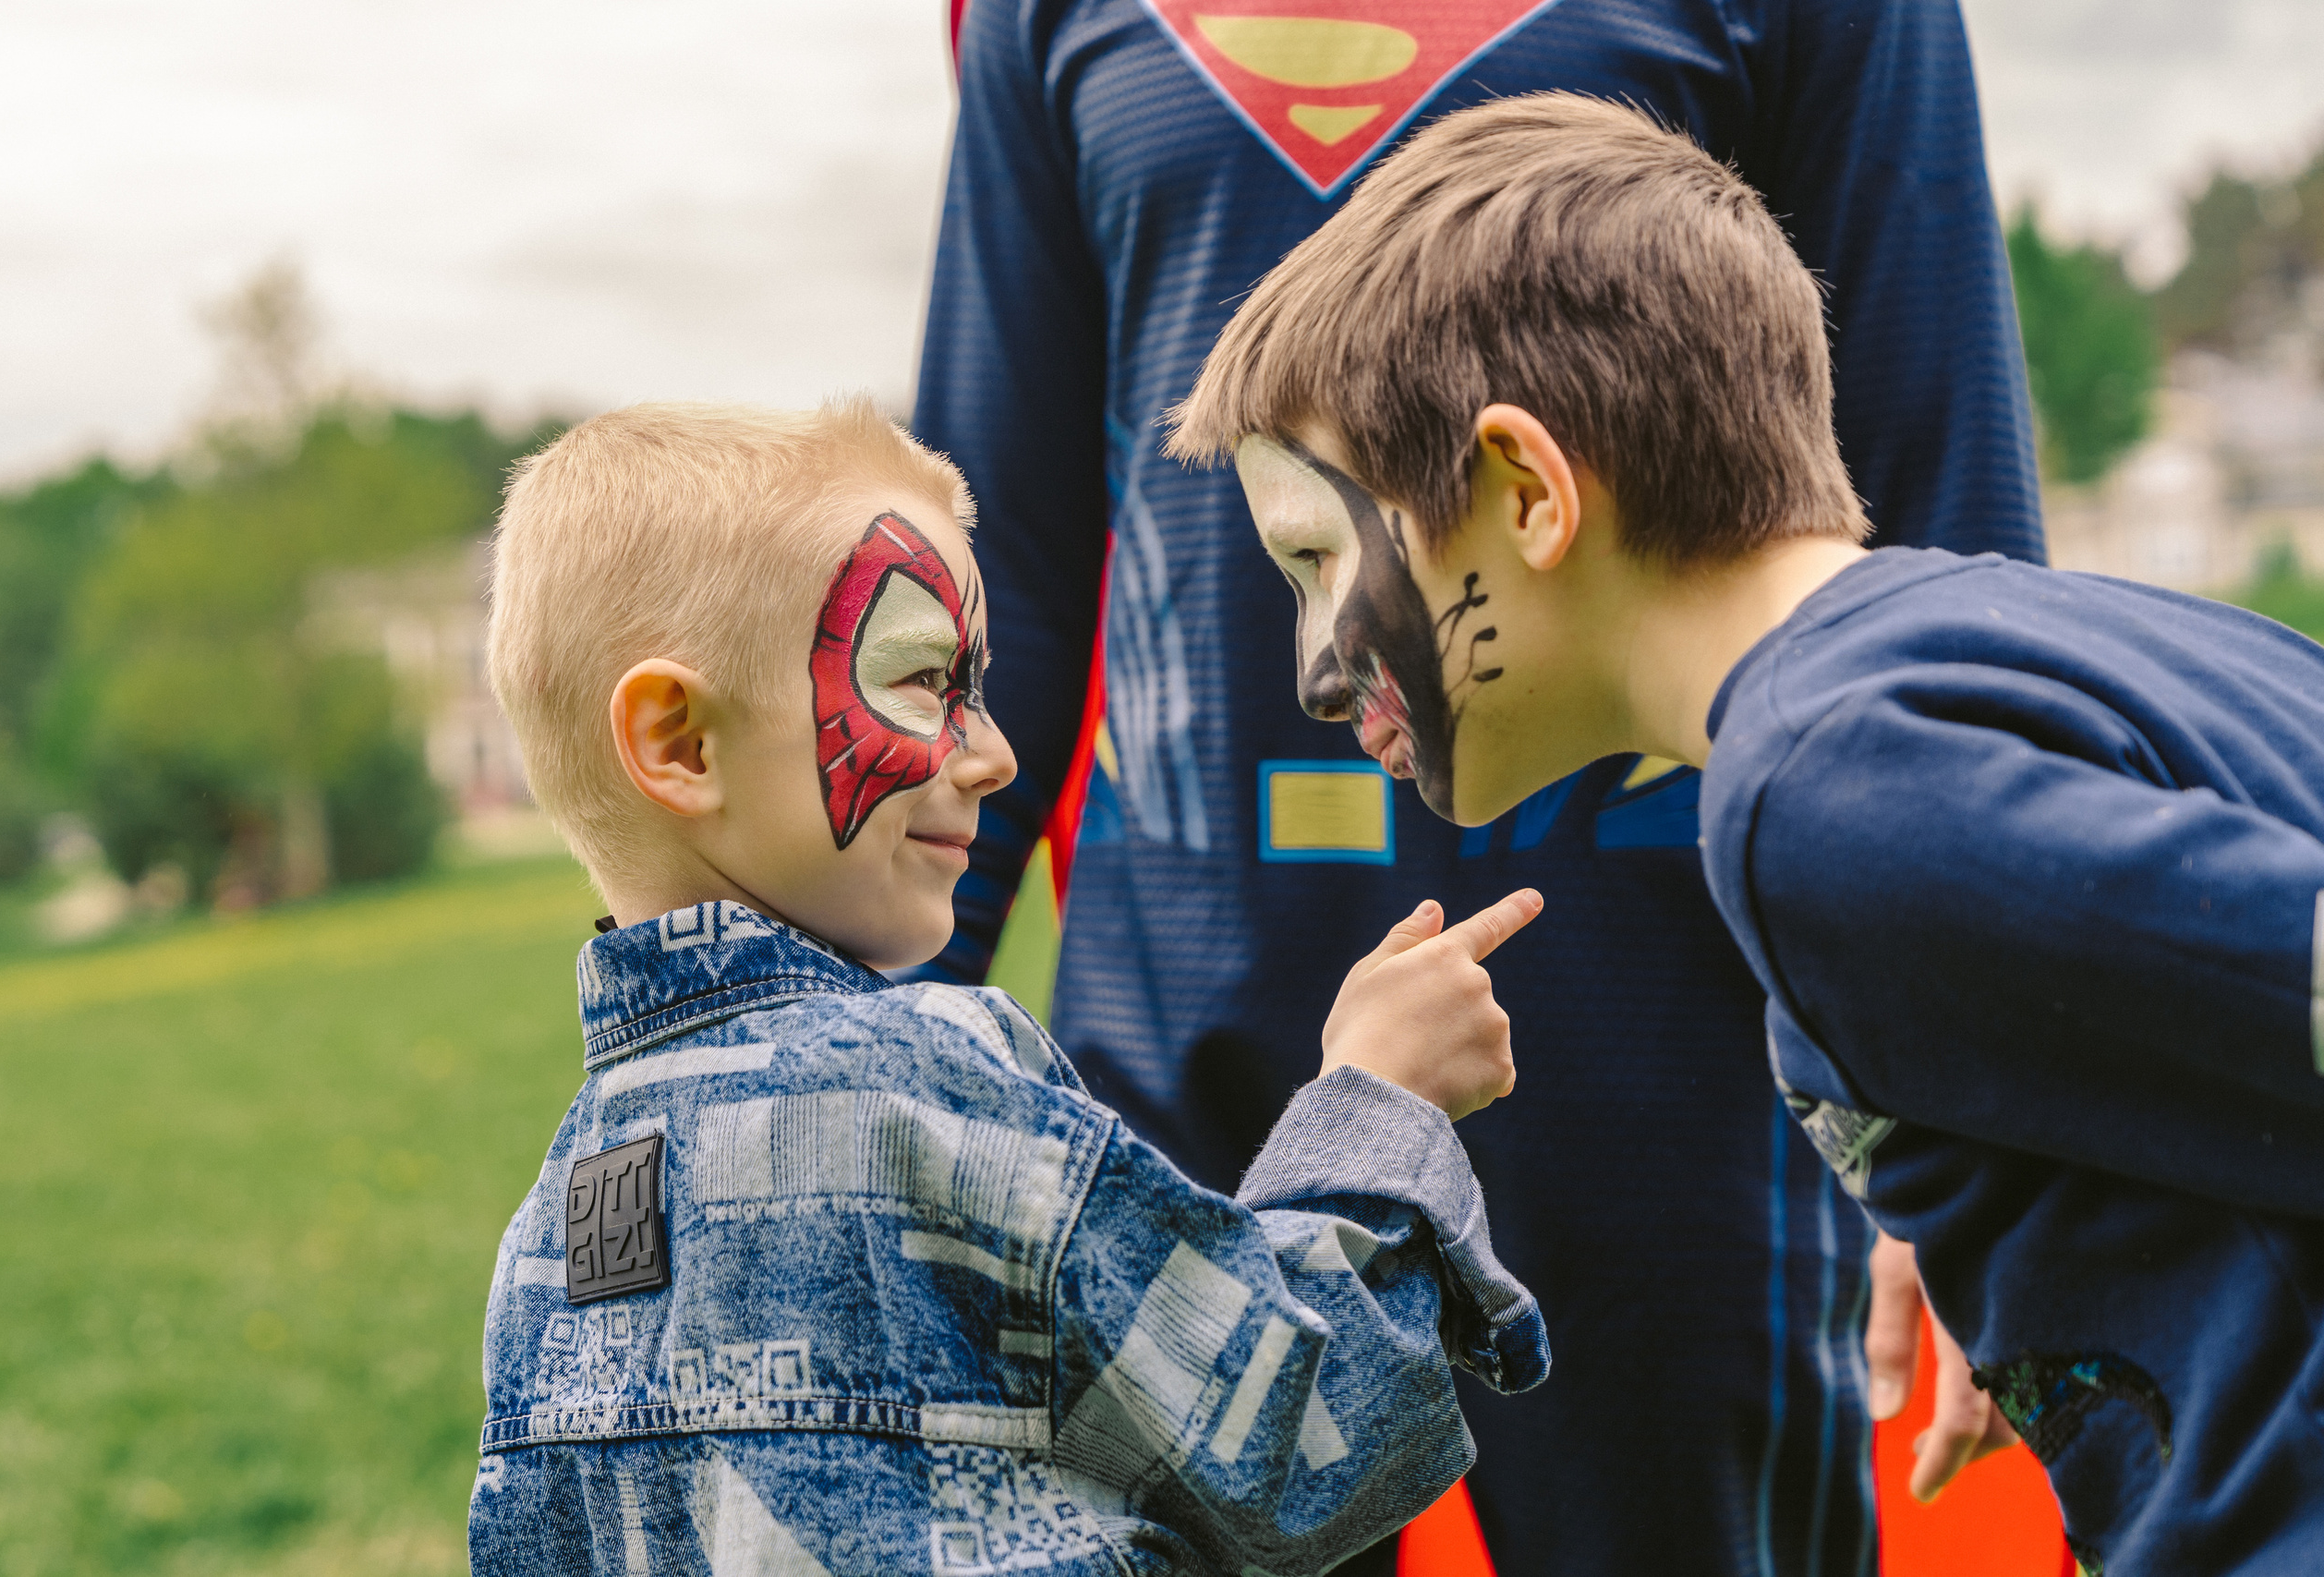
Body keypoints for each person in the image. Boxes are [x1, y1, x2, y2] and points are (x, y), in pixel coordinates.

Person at [913, 4, 2044, 1567]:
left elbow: (1930, 502)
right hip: (1186, 1020)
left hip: (1671, 1027)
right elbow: (999, 568)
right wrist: (842, 1054)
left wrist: (1974, 1085)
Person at [1172, 92, 2324, 1575]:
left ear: (1527, 492)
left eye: (1319, 558)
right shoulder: (2076, 640)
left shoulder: (1814, 789)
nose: (1317, 667)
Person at [464, 399, 1549, 1575]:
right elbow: (1289, 1440)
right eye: (928, 681)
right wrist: (1380, 1099)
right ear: (679, 743)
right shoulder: (927, 1082)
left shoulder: (555, 1232)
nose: (996, 754)